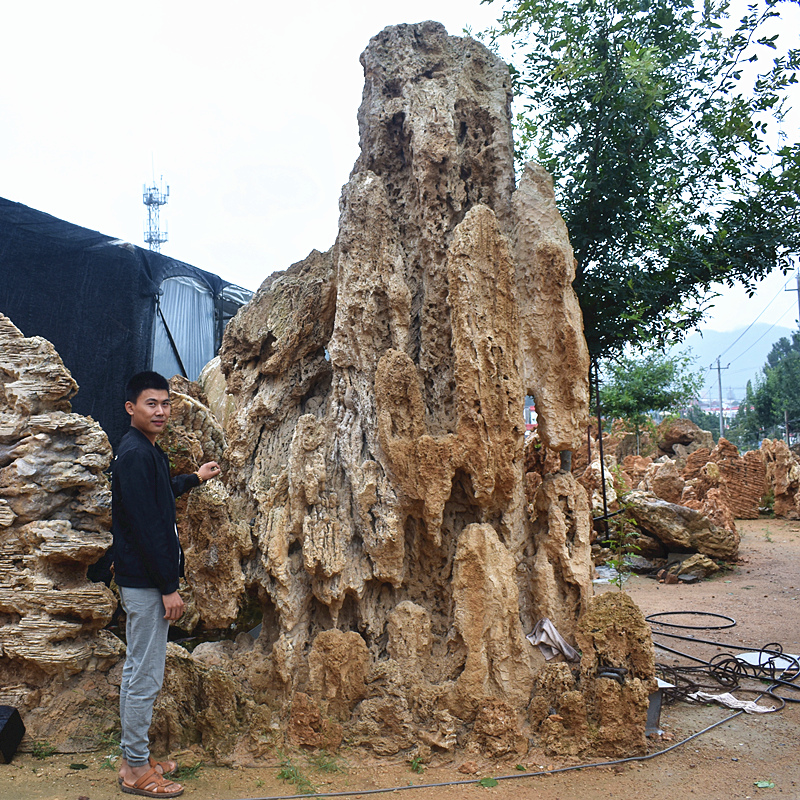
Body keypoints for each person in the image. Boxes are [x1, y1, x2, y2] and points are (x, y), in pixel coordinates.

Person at [112, 371, 220, 798]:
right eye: (150, 403)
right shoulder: (135, 454)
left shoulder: (146, 449)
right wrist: (168, 587)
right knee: (145, 676)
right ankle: (136, 770)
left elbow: (157, 497)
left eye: (165, 403)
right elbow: (147, 527)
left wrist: (195, 477)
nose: (160, 411)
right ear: (131, 407)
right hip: (146, 583)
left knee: (138, 670)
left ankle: (133, 758)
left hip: (144, 580)